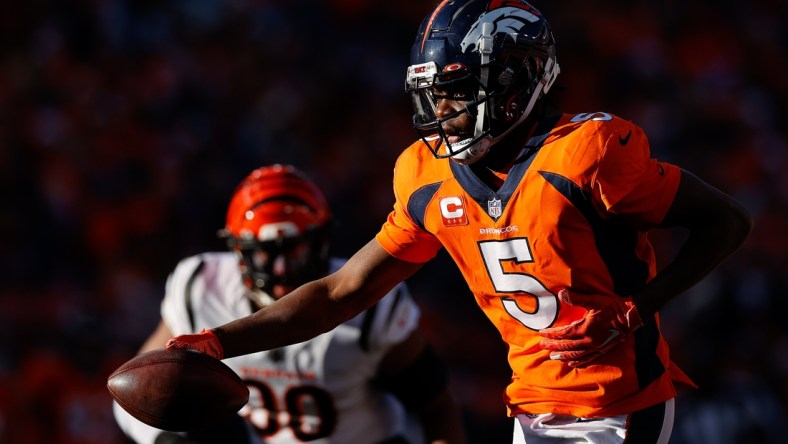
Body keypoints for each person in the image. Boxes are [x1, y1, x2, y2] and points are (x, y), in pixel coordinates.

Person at [166, 1, 754, 442]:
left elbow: (726, 222)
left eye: (455, 93)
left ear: (513, 83)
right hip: (529, 405)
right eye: (432, 96)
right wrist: (220, 340)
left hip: (620, 404)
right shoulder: (426, 177)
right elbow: (340, 292)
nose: (438, 114)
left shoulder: (586, 154)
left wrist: (635, 308)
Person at [112, 164, 467, 444]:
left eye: (296, 250)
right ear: (238, 250)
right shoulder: (200, 287)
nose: (282, 268)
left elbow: (434, 403)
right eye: (267, 252)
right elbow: (133, 392)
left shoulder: (367, 301)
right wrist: (170, 441)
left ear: (322, 242)